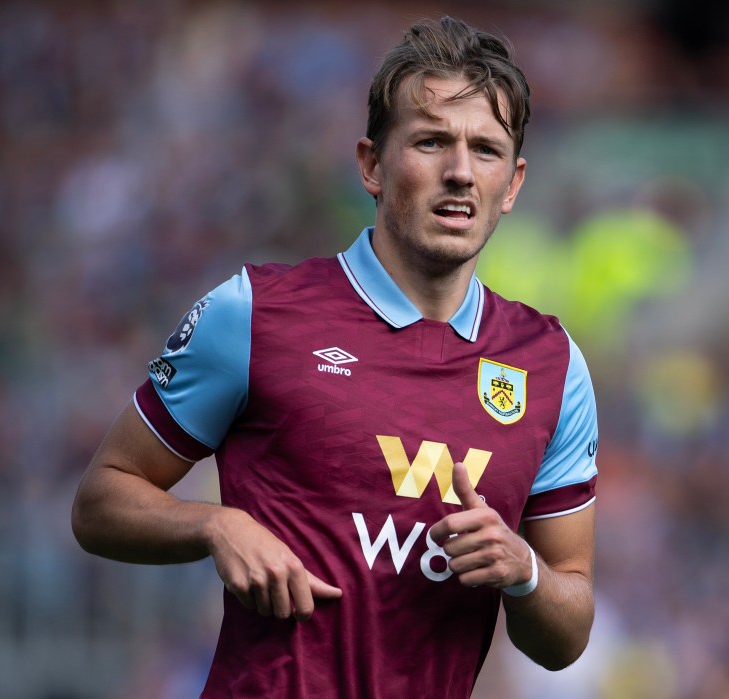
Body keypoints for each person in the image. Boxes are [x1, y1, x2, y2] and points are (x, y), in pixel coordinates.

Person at [72, 15, 598, 699]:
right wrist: (215, 524)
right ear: (372, 164)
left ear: (515, 183)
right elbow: (99, 501)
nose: (461, 172)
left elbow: (567, 631)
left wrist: (522, 568)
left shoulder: (551, 366)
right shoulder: (254, 313)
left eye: (486, 150)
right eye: (432, 142)